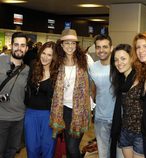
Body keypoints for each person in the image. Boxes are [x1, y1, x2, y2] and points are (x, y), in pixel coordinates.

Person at [50, 28, 91, 158]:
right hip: (64, 110)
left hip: (80, 111)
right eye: (67, 43)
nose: (70, 46)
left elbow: (95, 80)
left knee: (72, 147)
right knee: (68, 146)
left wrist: (92, 101)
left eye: (73, 43)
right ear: (61, 45)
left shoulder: (85, 59)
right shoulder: (57, 62)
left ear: (76, 45)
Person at [24, 41, 57, 158]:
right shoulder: (33, 65)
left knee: (48, 149)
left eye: (49, 55)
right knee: (32, 148)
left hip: (48, 116)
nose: (45, 57)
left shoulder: (57, 73)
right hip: (30, 114)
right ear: (40, 52)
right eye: (44, 53)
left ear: (54, 57)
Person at [110, 44, 144, 158]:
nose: (119, 63)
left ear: (132, 58)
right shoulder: (121, 80)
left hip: (140, 134)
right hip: (125, 131)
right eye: (116, 60)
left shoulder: (141, 78)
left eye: (123, 58)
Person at [0, 32, 29, 158]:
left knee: (11, 152)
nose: (19, 48)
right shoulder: (0, 61)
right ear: (11, 45)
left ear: (27, 48)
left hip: (19, 119)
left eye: (22, 45)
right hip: (1, 118)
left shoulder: (28, 69)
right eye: (16, 44)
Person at [89, 34, 115, 158]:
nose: (101, 50)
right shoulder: (93, 67)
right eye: (98, 47)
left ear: (111, 48)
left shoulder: (118, 66)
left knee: (119, 153)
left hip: (118, 117)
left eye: (105, 47)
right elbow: (92, 91)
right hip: (100, 118)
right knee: (103, 154)